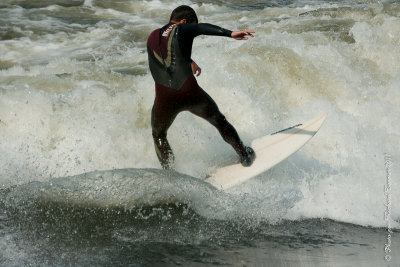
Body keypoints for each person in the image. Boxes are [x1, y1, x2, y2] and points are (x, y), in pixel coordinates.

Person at [147, 5, 255, 170]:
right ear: (184, 22)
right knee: (219, 120)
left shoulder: (152, 36)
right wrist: (230, 33)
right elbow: (201, 28)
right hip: (188, 91)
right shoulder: (181, 28)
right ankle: (244, 155)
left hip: (164, 98)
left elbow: (166, 58)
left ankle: (171, 176)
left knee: (158, 134)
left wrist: (189, 61)